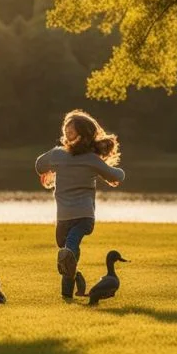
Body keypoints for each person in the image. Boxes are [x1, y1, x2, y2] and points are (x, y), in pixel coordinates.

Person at [35, 109, 125, 300]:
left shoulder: (58, 155)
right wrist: (121, 173)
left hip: (80, 218)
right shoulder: (88, 159)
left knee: (69, 247)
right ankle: (71, 286)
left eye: (70, 131)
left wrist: (51, 166)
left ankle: (67, 289)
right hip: (69, 217)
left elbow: (39, 166)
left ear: (81, 135)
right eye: (66, 130)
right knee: (66, 253)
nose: (67, 134)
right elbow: (116, 176)